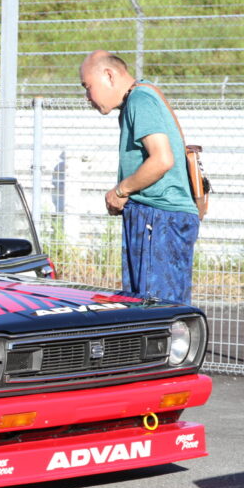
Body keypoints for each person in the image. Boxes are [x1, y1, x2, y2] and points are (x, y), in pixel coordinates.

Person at [79, 50, 199, 304]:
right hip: (156, 218)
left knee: (154, 309)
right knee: (147, 306)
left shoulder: (140, 100)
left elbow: (162, 159)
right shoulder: (138, 98)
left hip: (159, 218)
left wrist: (120, 191)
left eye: (88, 87)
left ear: (109, 75)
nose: (87, 97)